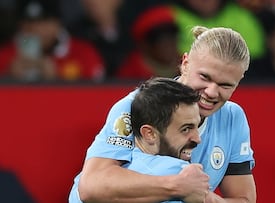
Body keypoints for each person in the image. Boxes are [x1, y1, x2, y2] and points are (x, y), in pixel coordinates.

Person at [75, 25, 256, 203]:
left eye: (225, 85)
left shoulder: (233, 117)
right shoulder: (137, 105)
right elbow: (90, 187)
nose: (212, 92)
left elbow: (244, 199)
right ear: (185, 64)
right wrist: (179, 185)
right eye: (205, 77)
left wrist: (203, 198)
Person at [69, 77, 202, 203]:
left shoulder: (84, 181)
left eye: (197, 126)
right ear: (149, 133)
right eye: (185, 129)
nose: (198, 139)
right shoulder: (178, 172)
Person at [0, 0, 105, 82]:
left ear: (58, 23)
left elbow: (98, 93)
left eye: (44, 22)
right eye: (29, 23)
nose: (37, 29)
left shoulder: (83, 52)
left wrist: (58, 76)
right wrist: (8, 77)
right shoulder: (6, 54)